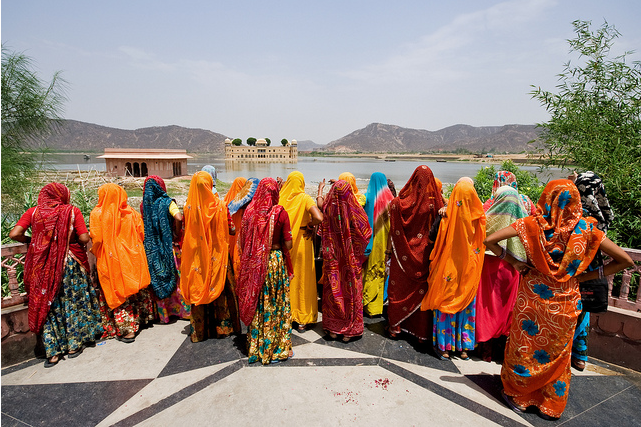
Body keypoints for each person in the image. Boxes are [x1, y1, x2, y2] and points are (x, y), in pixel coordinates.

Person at [484, 179, 633, 420]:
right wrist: (585, 277)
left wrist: (514, 262)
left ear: (547, 198)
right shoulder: (587, 230)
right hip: (566, 299)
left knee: (526, 347)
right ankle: (549, 402)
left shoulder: (531, 225)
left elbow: (489, 240)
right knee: (557, 352)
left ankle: (519, 396)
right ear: (575, 202)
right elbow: (626, 261)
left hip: (533, 297)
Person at [9, 183, 102, 367]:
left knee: (49, 305)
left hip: (43, 265)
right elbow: (84, 238)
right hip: (70, 263)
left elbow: (14, 233)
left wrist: (34, 241)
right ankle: (74, 345)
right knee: (72, 302)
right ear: (63, 195)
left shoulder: (34, 212)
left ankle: (53, 352)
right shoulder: (71, 211)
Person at [421, 177, 486, 361]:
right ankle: (464, 348)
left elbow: (432, 239)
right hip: (469, 269)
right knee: (465, 305)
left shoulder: (445, 216)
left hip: (447, 269)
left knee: (445, 303)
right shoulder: (480, 219)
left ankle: (444, 348)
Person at [237, 178, 294, 364]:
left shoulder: (250, 213)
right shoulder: (280, 213)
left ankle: (256, 345)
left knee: (258, 303)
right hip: (274, 263)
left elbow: (243, 242)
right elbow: (289, 244)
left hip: (255, 264)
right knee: (275, 304)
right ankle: (276, 346)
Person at [90, 183, 155, 343]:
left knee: (118, 290)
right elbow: (141, 233)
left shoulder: (98, 213)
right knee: (135, 289)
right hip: (133, 258)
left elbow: (96, 239)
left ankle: (127, 330)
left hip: (113, 260)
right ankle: (142, 320)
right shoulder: (131, 212)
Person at [387, 166, 443, 342]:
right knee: (421, 291)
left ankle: (395, 327)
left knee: (398, 289)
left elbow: (392, 219)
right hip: (425, 254)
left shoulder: (398, 204)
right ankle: (420, 333)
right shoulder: (436, 203)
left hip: (402, 255)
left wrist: (388, 252)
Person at [180, 171, 237, 342]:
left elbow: (185, 231)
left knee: (199, 288)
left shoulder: (188, 208)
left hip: (197, 258)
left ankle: (199, 331)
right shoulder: (220, 206)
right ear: (210, 185)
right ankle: (222, 328)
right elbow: (231, 229)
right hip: (217, 257)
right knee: (219, 290)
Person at [475, 186, 528, 362]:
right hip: (511, 269)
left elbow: (482, 239)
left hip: (489, 266)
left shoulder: (487, 218)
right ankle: (501, 349)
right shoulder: (523, 223)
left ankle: (485, 347)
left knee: (487, 306)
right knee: (506, 307)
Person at [570, 171, 615, 371]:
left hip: (575, 272)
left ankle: (572, 352)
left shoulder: (581, 217)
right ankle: (579, 355)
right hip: (585, 272)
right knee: (581, 312)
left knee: (574, 311)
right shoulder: (602, 217)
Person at [317, 179, 372, 342]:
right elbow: (366, 232)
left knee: (334, 291)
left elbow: (320, 205)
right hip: (350, 258)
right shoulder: (354, 209)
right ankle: (349, 330)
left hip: (332, 257)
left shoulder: (329, 206)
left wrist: (320, 190)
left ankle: (333, 329)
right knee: (350, 291)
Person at [140, 175, 189, 324]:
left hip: (151, 249)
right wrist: (175, 232)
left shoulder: (144, 206)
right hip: (169, 247)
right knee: (176, 276)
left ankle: (163, 315)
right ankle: (183, 311)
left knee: (158, 277)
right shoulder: (167, 202)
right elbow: (179, 218)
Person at [278, 171, 323, 332]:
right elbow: (319, 217)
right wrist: (310, 225)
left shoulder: (280, 198)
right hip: (303, 243)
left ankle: (287, 314)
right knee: (303, 279)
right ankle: (303, 318)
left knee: (289, 278)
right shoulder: (304, 198)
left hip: (285, 245)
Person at [362, 172, 395, 317]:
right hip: (386, 242)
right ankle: (378, 305)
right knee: (381, 271)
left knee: (369, 270)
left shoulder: (367, 198)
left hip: (370, 241)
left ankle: (367, 304)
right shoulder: (392, 201)